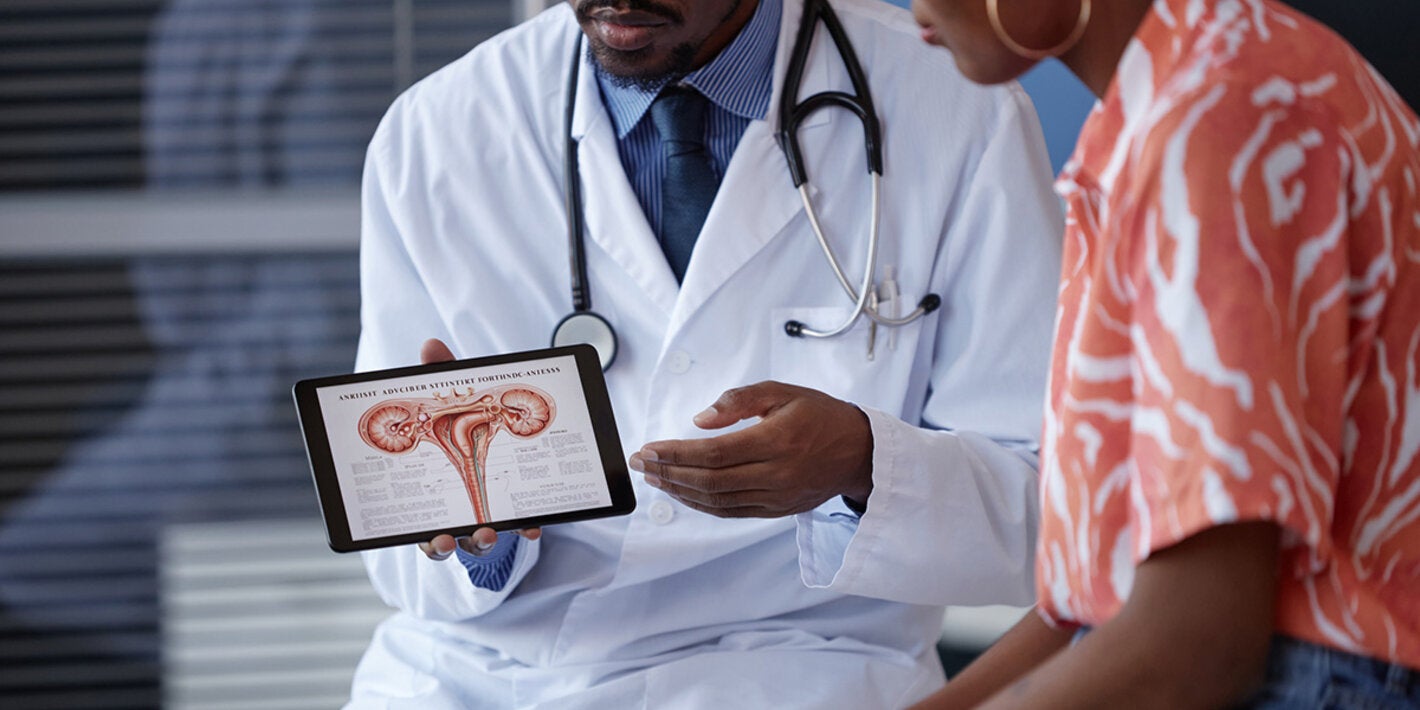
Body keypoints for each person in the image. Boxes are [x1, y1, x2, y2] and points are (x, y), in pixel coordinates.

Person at [350, 0, 1065, 706]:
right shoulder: (434, 135)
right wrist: (475, 535)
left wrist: (862, 463)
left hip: (798, 670)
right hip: (476, 680)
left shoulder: (955, 103)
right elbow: (407, 562)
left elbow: (1048, 509)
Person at [907, 0, 1420, 707]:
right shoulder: (1162, 108)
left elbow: (1200, 638)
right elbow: (1092, 605)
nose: (915, 10)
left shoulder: (1224, 115)